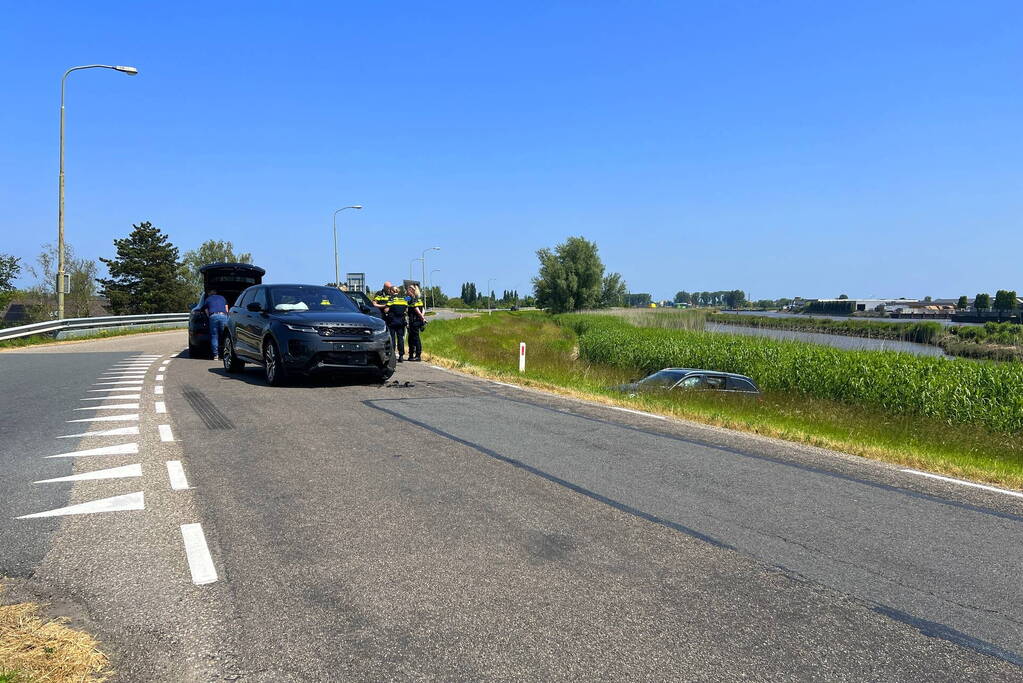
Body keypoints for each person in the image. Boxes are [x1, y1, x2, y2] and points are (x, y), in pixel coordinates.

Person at [204, 288, 229, 359]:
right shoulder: (222, 298)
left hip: (213, 316)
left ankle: (215, 355)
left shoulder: (207, 299)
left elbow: (206, 311)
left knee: (214, 336)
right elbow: (227, 309)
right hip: (223, 316)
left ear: (210, 293)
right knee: (225, 336)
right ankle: (226, 354)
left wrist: (210, 317)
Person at [385, 284, 409, 362]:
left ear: (392, 291)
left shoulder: (391, 299)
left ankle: (392, 354)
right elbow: (406, 309)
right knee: (400, 338)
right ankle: (401, 355)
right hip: (401, 321)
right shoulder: (404, 299)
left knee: (392, 338)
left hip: (392, 321)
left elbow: (386, 310)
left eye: (390, 291)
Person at [406, 283, 426, 361]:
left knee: (415, 338)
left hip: (414, 321)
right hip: (418, 320)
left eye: (408, 290)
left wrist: (421, 316)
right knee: (411, 338)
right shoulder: (418, 299)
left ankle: (417, 355)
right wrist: (422, 317)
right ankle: (411, 354)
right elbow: (423, 309)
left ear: (411, 291)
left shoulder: (412, 299)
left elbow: (416, 308)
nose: (406, 291)